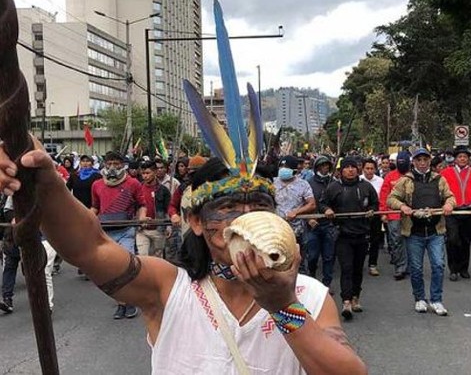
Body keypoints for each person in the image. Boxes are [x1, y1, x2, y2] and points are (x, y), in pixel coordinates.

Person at [0, 137, 366, 374]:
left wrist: (282, 304)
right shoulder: (167, 287)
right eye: (228, 208)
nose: (246, 220)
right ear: (194, 220)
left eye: (259, 207)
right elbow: (91, 248)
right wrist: (47, 183)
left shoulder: (310, 295)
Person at [387, 149, 455, 316]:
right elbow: (391, 198)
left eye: (425, 159)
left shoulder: (439, 179)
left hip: (435, 231)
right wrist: (402, 206)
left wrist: (449, 205)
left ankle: (436, 300)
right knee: (416, 268)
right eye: (419, 160)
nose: (422, 163)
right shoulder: (405, 181)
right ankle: (420, 298)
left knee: (438, 265)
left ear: (429, 161)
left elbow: (451, 197)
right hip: (414, 232)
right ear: (414, 162)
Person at [91, 151, 147, 319]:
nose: (112, 167)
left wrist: (142, 219)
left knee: (126, 267)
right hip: (105, 233)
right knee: (110, 271)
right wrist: (85, 221)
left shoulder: (133, 183)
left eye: (116, 163)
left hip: (126, 231)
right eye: (109, 164)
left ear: (123, 165)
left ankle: (129, 302)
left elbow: (142, 204)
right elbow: (94, 208)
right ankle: (121, 303)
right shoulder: (97, 185)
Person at [322, 157, 379, 320]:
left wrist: (371, 211)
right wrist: (327, 210)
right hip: (342, 234)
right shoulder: (333, 187)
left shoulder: (365, 186)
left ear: (357, 170)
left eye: (353, 167)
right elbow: (322, 203)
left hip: (362, 234)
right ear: (341, 170)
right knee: (346, 268)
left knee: (357, 268)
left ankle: (355, 297)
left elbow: (375, 204)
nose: (350, 170)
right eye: (347, 167)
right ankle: (346, 301)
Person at [441, 146, 471, 281]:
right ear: (455, 159)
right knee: (452, 239)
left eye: (465, 157)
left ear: (468, 159)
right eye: (460, 157)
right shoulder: (446, 173)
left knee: (466, 240)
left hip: (468, 211)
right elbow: (441, 191)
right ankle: (453, 269)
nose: (462, 159)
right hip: (452, 212)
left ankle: (464, 268)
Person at [274, 155, 317, 273]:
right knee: (277, 263)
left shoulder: (303, 185)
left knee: (299, 263)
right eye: (281, 166)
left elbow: (311, 204)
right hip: (276, 231)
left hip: (297, 231)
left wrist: (296, 212)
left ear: (294, 169)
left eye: (286, 166)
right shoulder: (271, 183)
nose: (283, 168)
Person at [306, 156, 336, 291]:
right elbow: (304, 203)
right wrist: (308, 219)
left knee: (329, 256)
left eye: (327, 165)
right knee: (312, 256)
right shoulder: (308, 183)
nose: (326, 167)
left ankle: (327, 284)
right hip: (312, 225)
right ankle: (312, 277)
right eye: (323, 165)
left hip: (329, 224)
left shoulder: (334, 182)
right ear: (317, 167)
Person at [380, 151, 411, 280]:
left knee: (410, 242)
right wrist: (383, 213)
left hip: (410, 215)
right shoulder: (390, 177)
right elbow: (384, 195)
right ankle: (400, 267)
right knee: (396, 241)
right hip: (394, 215)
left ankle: (410, 266)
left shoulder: (413, 177)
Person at [137, 161, 171, 258]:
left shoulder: (163, 190)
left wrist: (168, 226)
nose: (145, 176)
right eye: (143, 173)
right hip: (141, 229)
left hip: (158, 229)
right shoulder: (138, 188)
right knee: (143, 256)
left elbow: (168, 209)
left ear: (155, 172)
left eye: (148, 173)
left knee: (157, 257)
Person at [360, 158, 384, 276]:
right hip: (360, 215)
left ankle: (372, 265)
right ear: (363, 169)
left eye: (371, 169)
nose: (369, 171)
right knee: (361, 240)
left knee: (375, 239)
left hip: (375, 214)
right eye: (367, 168)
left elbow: (383, 198)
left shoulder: (380, 181)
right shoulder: (358, 180)